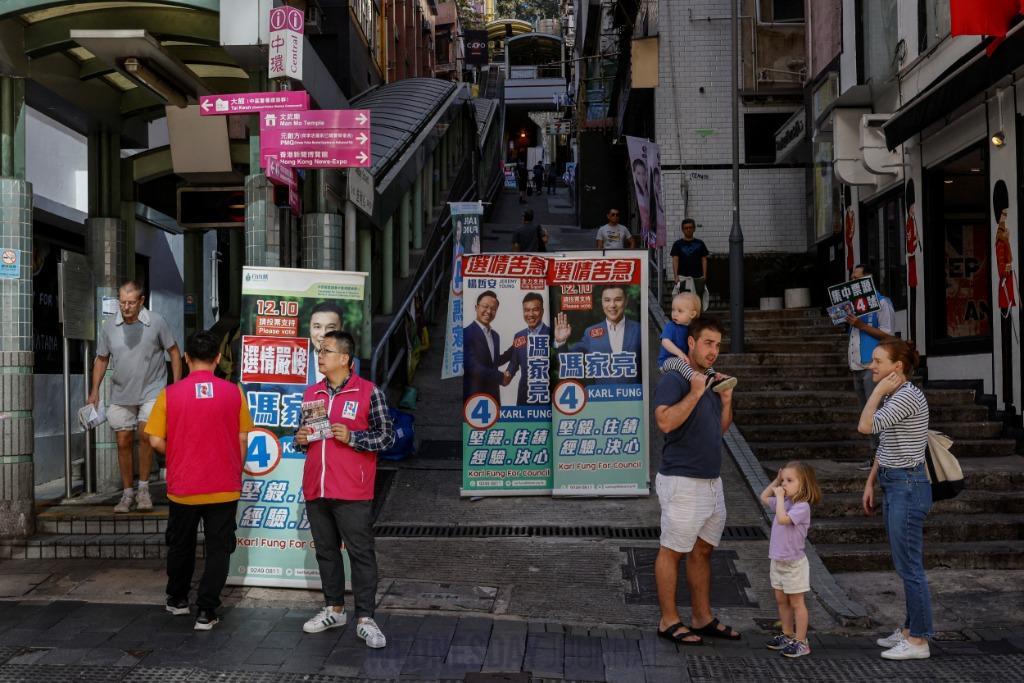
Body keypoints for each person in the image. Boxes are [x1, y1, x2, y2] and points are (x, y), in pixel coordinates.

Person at [145, 330, 254, 631]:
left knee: (181, 545)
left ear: (187, 359)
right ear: (218, 359)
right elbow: (242, 438)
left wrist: (176, 454)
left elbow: (154, 440)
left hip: (184, 487)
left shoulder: (170, 394)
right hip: (224, 486)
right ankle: (206, 610)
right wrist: (234, 468)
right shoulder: (234, 393)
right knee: (219, 548)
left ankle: (178, 599)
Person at [295, 331, 394, 647]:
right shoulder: (312, 393)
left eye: (326, 351)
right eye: (319, 350)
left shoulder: (368, 392)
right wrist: (301, 439)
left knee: (361, 554)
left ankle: (365, 618)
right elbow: (307, 437)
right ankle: (334, 608)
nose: (320, 355)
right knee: (326, 552)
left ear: (345, 359)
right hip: (317, 486)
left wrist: (354, 438)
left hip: (352, 489)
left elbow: (387, 438)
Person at [653, 317, 739, 645]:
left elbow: (718, 431)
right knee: (672, 550)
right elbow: (664, 422)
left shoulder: (710, 380)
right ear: (691, 343)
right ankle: (668, 620)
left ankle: (701, 617)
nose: (714, 351)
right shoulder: (677, 378)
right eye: (707, 343)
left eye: (718, 345)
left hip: (712, 483)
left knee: (703, 550)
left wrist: (727, 402)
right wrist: (694, 392)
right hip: (682, 481)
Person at [858, 339, 933, 661]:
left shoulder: (904, 397)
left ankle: (919, 640)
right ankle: (908, 630)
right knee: (905, 565)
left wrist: (874, 393)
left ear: (896, 368)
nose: (871, 365)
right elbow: (885, 443)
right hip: (896, 481)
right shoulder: (897, 395)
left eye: (877, 361)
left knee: (910, 567)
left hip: (908, 486)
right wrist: (871, 481)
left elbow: (865, 427)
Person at [89, 280, 182, 513]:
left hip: (152, 390)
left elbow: (173, 351)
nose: (126, 307)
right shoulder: (110, 326)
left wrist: (177, 386)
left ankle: (143, 490)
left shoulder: (156, 322)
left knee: (145, 434)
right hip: (121, 393)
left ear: (141, 301)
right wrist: (94, 391)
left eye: (131, 302)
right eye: (122, 302)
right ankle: (127, 493)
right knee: (122, 441)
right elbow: (101, 359)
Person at [759, 461, 822, 658]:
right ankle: (788, 634)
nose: (784, 484)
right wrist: (776, 481)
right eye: (783, 480)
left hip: (794, 564)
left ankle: (802, 641)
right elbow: (763, 496)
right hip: (777, 561)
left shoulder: (802, 507)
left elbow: (783, 519)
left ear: (803, 484)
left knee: (797, 602)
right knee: (780, 600)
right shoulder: (785, 502)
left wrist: (779, 498)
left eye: (789, 480)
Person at [844, 264, 895, 470]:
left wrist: (861, 325)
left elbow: (888, 334)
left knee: (877, 410)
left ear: (868, 279)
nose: (854, 282)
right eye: (852, 279)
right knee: (866, 411)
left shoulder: (882, 303)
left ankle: (883, 457)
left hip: (874, 366)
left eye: (857, 279)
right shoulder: (853, 304)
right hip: (857, 363)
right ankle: (874, 455)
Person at [553, 285, 642, 384]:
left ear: (626, 301)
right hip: (602, 396)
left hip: (633, 396)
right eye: (607, 300)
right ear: (602, 303)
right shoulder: (591, 333)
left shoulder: (639, 330)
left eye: (618, 300)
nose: (612, 305)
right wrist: (561, 342)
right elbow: (567, 361)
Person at [658, 293, 738, 393]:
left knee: (707, 367)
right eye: (673, 310)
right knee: (679, 362)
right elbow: (665, 341)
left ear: (692, 314)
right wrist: (679, 353)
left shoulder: (692, 328)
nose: (674, 314)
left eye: (680, 311)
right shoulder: (671, 326)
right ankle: (696, 379)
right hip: (667, 361)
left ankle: (714, 378)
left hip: (685, 361)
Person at [497, 293, 550, 405]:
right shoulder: (519, 336)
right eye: (526, 310)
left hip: (547, 397)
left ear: (542, 311)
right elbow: (513, 364)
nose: (530, 314)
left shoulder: (552, 334)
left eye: (535, 310)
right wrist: (501, 376)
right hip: (524, 398)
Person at [463, 291, 506, 402]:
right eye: (485, 307)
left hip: (494, 396)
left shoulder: (495, 335)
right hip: (474, 395)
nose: (489, 311)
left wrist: (515, 347)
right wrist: (501, 377)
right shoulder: (466, 333)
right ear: (476, 307)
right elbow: (472, 367)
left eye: (493, 309)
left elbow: (493, 361)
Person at [670, 219, 709, 304]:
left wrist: (704, 276)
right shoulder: (677, 244)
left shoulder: (700, 243)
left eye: (690, 227)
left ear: (694, 229)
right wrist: (676, 276)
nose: (688, 230)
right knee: (683, 301)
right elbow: (675, 260)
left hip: (698, 277)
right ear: (682, 229)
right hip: (683, 277)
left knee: (697, 300)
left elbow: (704, 260)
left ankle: (696, 316)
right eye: (686, 228)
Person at [307, 301, 345, 383]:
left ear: (341, 329)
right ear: (309, 329)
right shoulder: (296, 366)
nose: (323, 334)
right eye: (317, 327)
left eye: (330, 327)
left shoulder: (354, 363)